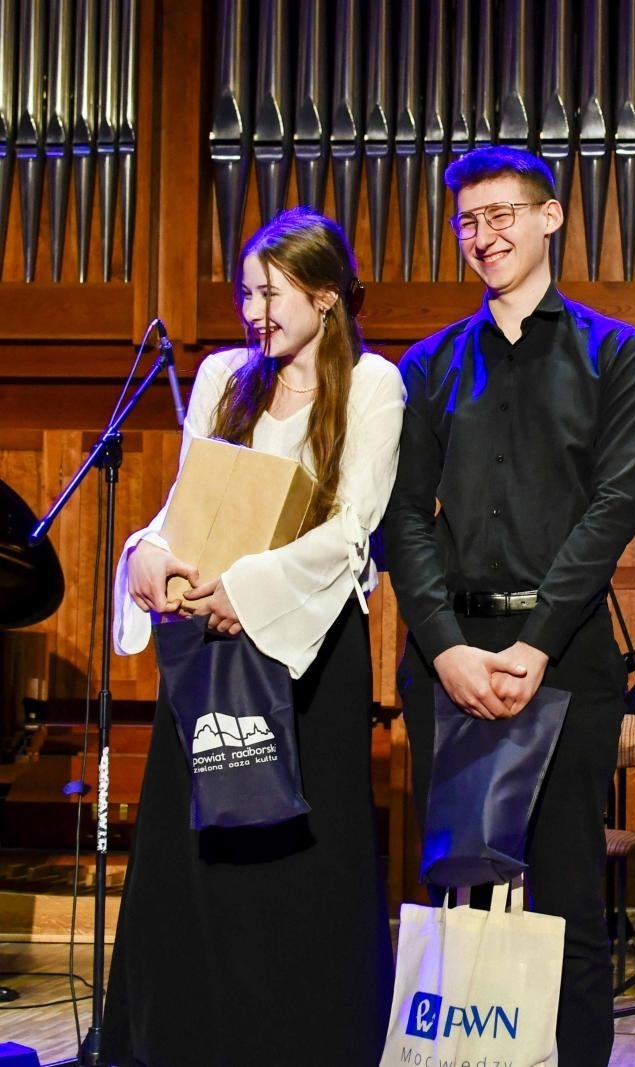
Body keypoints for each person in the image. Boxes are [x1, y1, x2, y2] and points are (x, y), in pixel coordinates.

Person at [105, 208, 402, 1065]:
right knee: (198, 850)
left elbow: (353, 525)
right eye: (246, 291)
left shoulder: (373, 384)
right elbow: (185, 501)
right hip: (210, 648)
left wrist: (248, 587)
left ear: (325, 296)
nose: (254, 310)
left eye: (271, 293)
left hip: (304, 651)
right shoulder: (223, 378)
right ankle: (186, 1038)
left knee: (297, 865)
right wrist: (149, 555)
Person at [381, 145, 635, 1067]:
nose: (484, 235)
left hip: (564, 652)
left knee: (571, 904)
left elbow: (614, 507)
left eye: (502, 215)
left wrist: (536, 644)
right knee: (459, 894)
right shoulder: (429, 364)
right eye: (468, 221)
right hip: (448, 654)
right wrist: (447, 647)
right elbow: (402, 518)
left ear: (550, 218)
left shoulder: (613, 351)